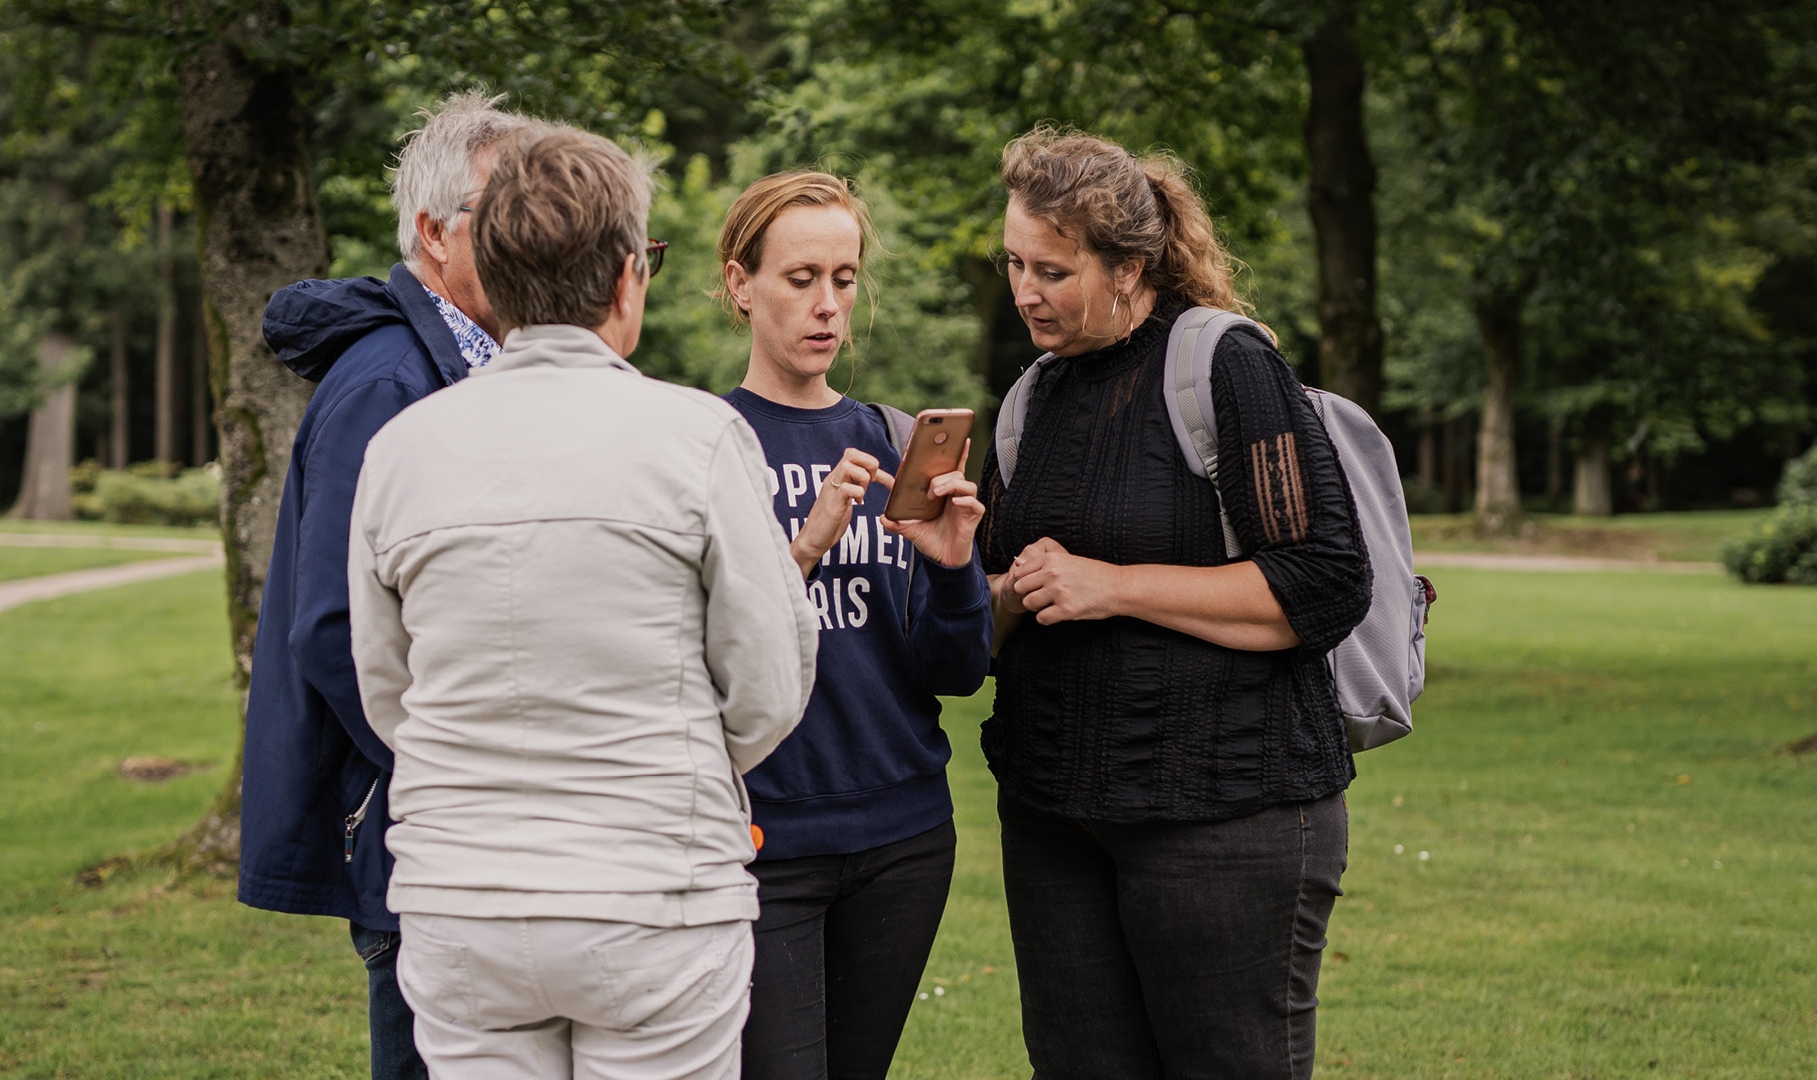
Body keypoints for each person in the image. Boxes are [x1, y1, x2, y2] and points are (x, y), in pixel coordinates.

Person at [347, 125, 818, 1080]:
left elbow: (389, 689)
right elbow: (768, 680)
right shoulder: (696, 437)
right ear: (624, 279)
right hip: (653, 892)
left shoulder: (403, 448)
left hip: (463, 895)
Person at [976, 125, 1373, 1080]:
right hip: (1054, 816)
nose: (1026, 291)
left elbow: (1323, 579)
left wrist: (1110, 586)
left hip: (1226, 817)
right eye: (1015, 263)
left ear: (1130, 266)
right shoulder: (1033, 398)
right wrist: (987, 587)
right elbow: (990, 614)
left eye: (1054, 270)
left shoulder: (1224, 367)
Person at [237, 90, 548, 1080]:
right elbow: (334, 627)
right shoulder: (386, 379)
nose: (532, 238)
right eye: (506, 215)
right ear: (431, 230)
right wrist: (447, 768)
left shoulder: (474, 363)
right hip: (419, 828)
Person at [714, 171, 994, 1080]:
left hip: (904, 839)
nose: (827, 304)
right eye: (801, 278)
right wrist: (800, 553)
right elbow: (688, 664)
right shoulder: (703, 446)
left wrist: (954, 570)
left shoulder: (893, 436)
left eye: (844, 277)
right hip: (766, 844)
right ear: (739, 284)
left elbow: (952, 671)